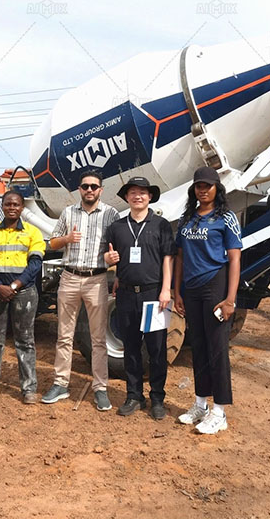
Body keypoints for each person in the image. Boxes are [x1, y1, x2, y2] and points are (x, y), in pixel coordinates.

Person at [42, 170, 120, 411]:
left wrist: (112, 261)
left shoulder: (110, 214)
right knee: (64, 335)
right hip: (69, 277)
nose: (89, 190)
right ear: (79, 189)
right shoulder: (68, 212)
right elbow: (52, 243)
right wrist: (66, 239)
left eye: (94, 186)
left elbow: (116, 248)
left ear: (101, 189)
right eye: (85, 186)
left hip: (97, 279)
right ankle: (60, 383)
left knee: (98, 338)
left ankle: (100, 388)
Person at [173, 166, 242, 434]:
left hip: (216, 285)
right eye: (198, 186)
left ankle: (220, 411)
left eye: (208, 186)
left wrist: (230, 300)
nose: (203, 190)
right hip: (191, 289)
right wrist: (178, 292)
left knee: (217, 349)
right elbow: (179, 257)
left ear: (217, 188)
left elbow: (235, 258)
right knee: (198, 348)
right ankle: (200, 404)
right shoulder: (186, 218)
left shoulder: (226, 218)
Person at [104, 176, 176, 420]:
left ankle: (157, 398)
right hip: (125, 294)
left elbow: (168, 259)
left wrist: (166, 289)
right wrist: (109, 263)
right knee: (131, 347)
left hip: (154, 294)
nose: (138, 196)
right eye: (133, 192)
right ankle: (134, 395)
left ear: (150, 197)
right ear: (126, 197)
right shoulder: (117, 227)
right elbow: (109, 256)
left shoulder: (162, 225)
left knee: (157, 348)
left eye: (142, 192)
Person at [0, 190, 46, 404]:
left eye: (16, 204)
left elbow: (35, 264)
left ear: (22, 208)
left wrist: (14, 285)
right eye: (8, 204)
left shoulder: (33, 232)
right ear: (3, 206)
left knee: (25, 340)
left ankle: (29, 388)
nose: (12, 208)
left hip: (24, 292)